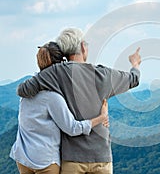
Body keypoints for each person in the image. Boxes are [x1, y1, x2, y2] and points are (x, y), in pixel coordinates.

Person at [17, 28, 141, 174]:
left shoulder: (55, 73)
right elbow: (134, 80)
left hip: (72, 158)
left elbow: (23, 90)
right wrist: (135, 64)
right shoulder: (104, 74)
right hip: (101, 156)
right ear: (83, 46)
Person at [10, 42, 109, 174]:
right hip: (45, 162)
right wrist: (101, 118)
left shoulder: (27, 91)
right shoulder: (52, 97)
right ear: (60, 65)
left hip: (22, 157)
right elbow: (73, 128)